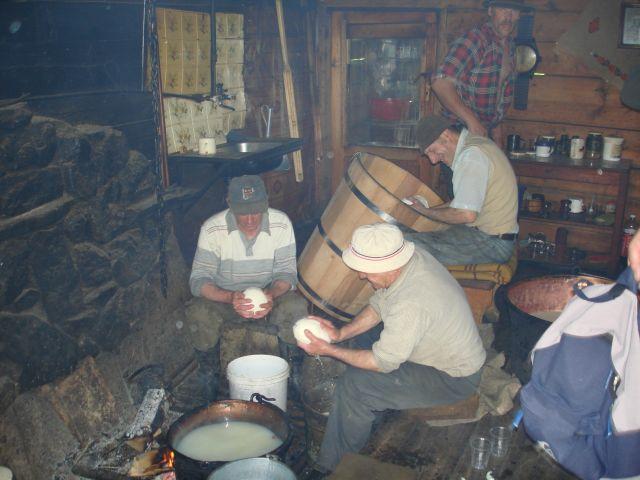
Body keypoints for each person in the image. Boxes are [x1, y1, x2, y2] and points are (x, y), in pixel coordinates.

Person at [297, 223, 485, 472]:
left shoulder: (412, 303)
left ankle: (334, 468)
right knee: (366, 340)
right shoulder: (413, 260)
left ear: (391, 266)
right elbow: (379, 305)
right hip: (439, 352)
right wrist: (340, 334)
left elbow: (381, 362)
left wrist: (329, 350)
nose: (362, 276)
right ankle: (367, 425)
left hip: (452, 378)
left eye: (367, 272)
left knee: (355, 386)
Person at [185, 175, 308, 400]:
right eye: (243, 212)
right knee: (198, 313)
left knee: (296, 307)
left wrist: (270, 294)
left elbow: (287, 274)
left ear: (266, 204)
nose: (251, 219)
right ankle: (209, 376)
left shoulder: (281, 224)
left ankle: (294, 373)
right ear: (229, 204)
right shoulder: (213, 229)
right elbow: (198, 280)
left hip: (268, 291)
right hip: (225, 295)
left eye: (256, 210)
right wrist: (230, 297)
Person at [403, 114, 519, 266]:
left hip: (492, 244)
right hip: (489, 237)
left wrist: (425, 212)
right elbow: (463, 202)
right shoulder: (477, 144)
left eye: (432, 150)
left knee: (405, 246)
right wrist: (426, 210)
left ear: (446, 135)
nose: (433, 160)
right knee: (416, 237)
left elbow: (466, 215)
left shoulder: (471, 156)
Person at [431, 0, 533, 138]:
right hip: (458, 132)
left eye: (513, 11)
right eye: (503, 9)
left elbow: (497, 103)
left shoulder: (511, 48)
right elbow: (440, 83)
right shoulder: (476, 39)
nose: (508, 17)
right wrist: (472, 121)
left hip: (482, 133)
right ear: (490, 11)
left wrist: (498, 144)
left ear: (519, 15)